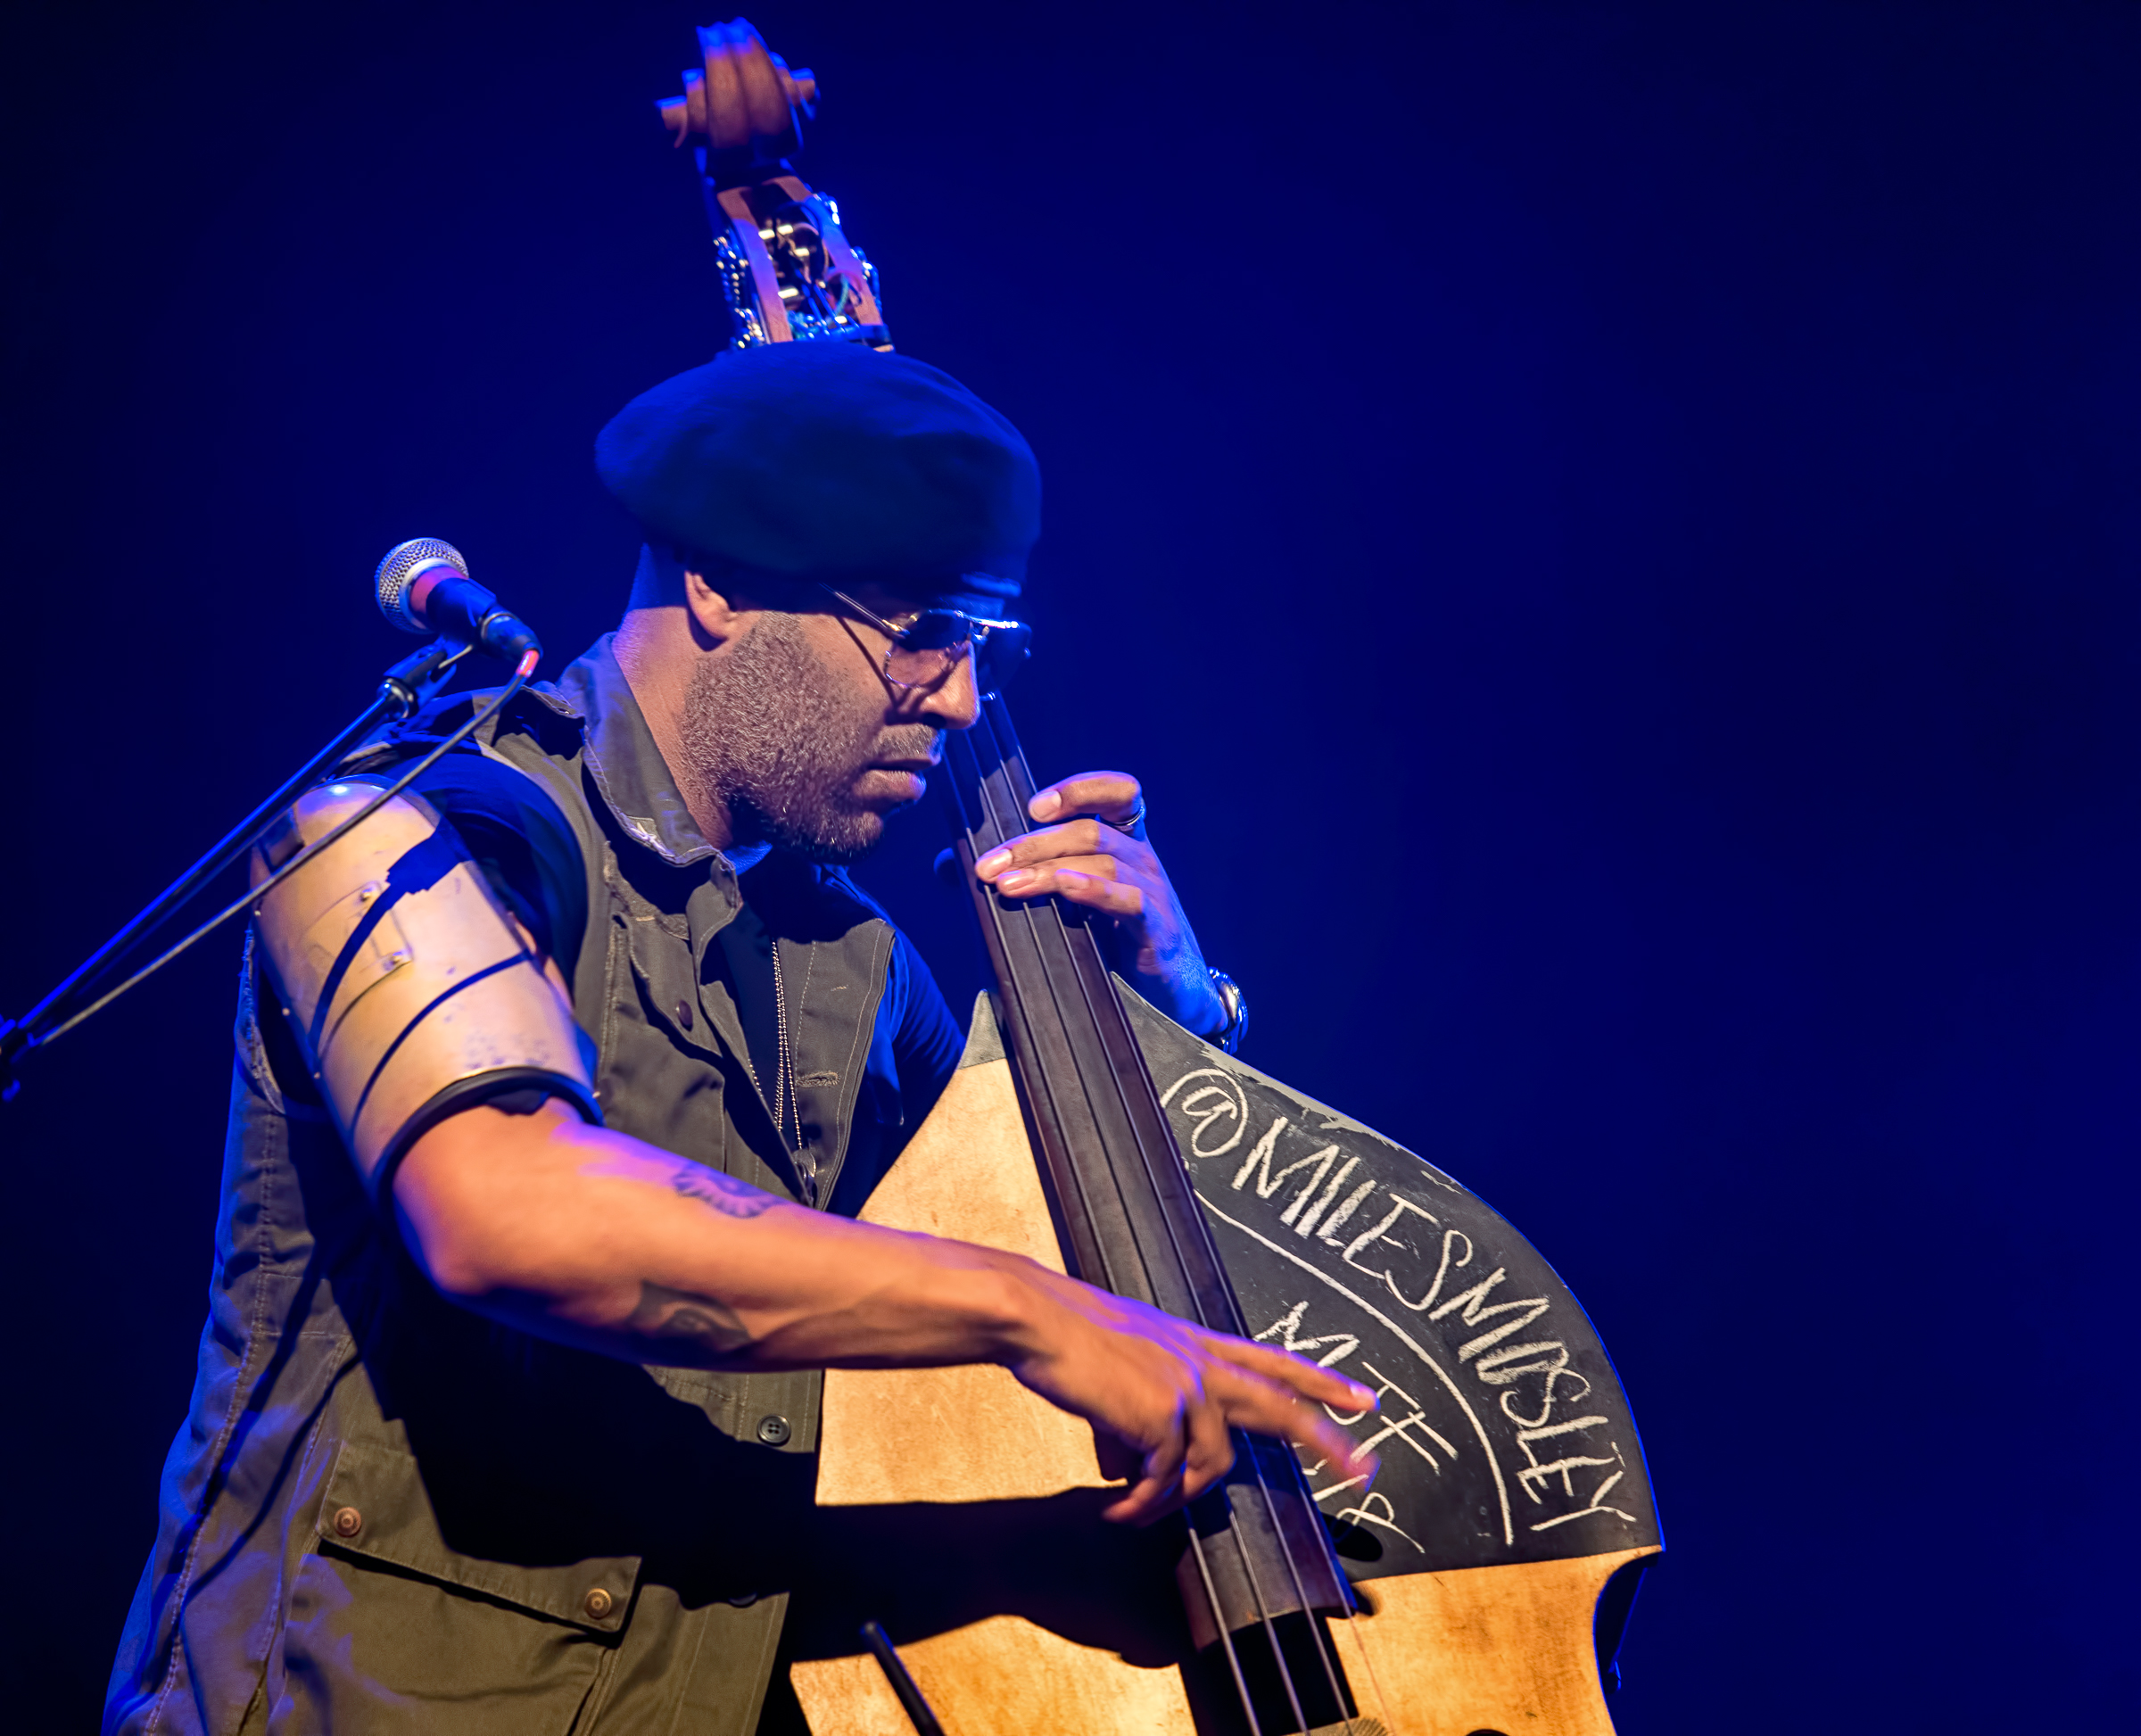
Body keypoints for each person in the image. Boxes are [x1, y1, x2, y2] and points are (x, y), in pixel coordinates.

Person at [103, 337, 1374, 1735]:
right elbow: (503, 1206)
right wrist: (1030, 1315)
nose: (960, 701)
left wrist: (1176, 1003)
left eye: (985, 645)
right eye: (923, 631)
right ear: (716, 580)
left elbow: (1116, 1284)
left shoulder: (860, 970)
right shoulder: (397, 830)